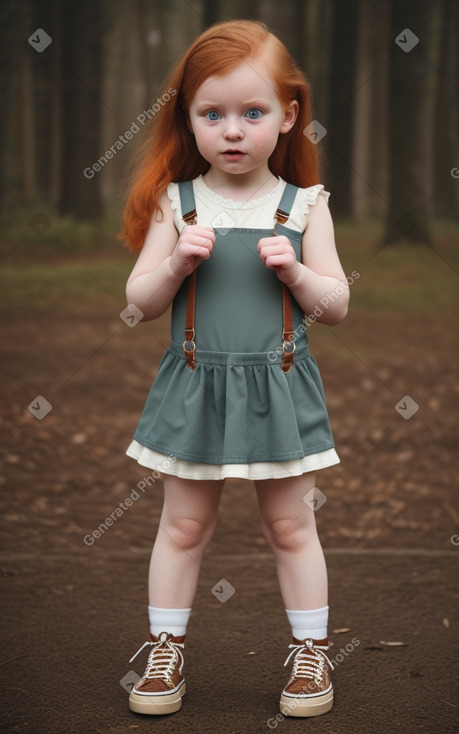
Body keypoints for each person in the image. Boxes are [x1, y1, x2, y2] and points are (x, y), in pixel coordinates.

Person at [120, 18, 349, 719]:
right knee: (183, 528)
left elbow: (335, 302)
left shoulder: (303, 206)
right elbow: (139, 301)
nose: (232, 130)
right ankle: (164, 649)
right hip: (194, 386)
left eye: (252, 113)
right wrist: (176, 261)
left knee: (290, 528)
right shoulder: (177, 202)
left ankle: (310, 655)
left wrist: (297, 277)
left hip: (278, 387)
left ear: (287, 116)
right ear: (187, 122)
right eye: (210, 114)